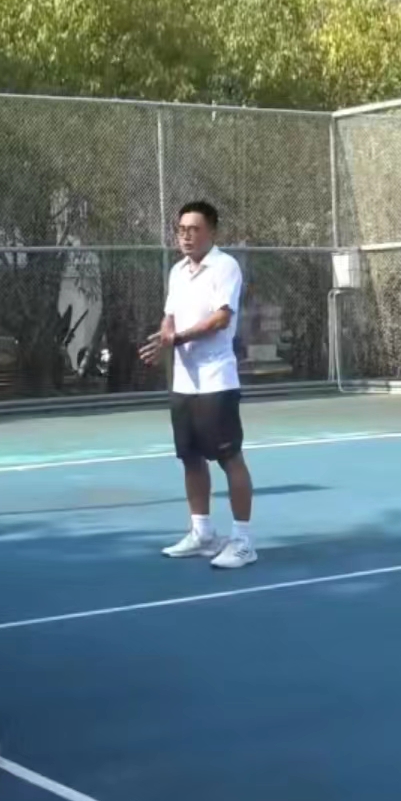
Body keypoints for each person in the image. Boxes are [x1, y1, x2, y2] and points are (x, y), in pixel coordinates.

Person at [139, 201, 257, 570]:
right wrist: (164, 338)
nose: (186, 236)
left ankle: (243, 541)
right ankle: (203, 533)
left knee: (229, 458)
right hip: (184, 383)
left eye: (194, 229)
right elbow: (170, 317)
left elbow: (221, 319)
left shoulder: (225, 266)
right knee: (190, 458)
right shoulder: (177, 272)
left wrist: (177, 339)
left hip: (216, 381)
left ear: (212, 232)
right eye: (181, 230)